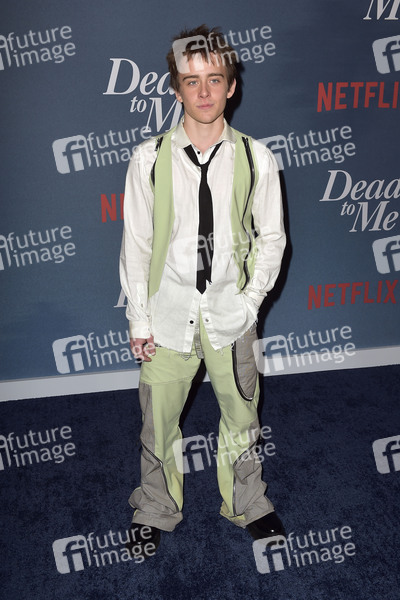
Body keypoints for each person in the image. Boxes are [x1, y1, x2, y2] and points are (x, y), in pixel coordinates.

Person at [119, 24, 286, 558]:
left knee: (242, 419)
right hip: (167, 317)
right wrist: (139, 321)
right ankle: (155, 507)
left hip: (231, 318)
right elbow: (137, 244)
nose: (205, 91)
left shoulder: (258, 158)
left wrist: (249, 304)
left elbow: (272, 239)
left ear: (231, 86)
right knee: (158, 424)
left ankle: (247, 502)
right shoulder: (147, 159)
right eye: (192, 81)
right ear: (176, 89)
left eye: (215, 78)